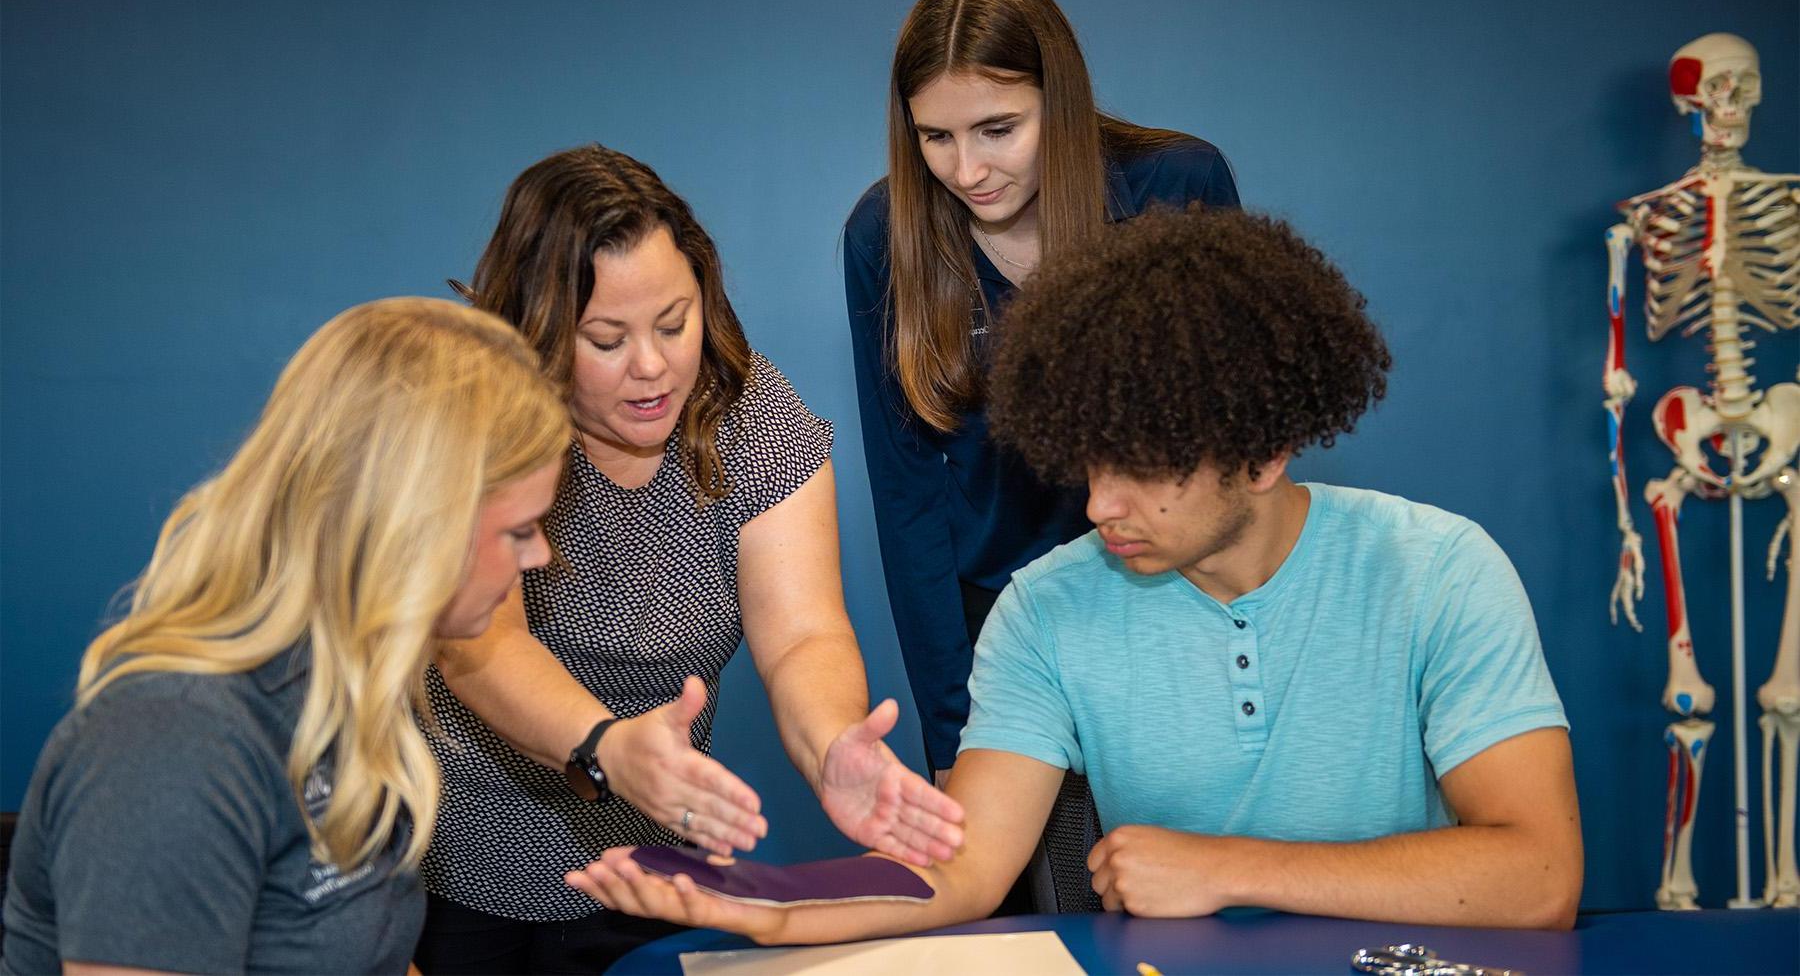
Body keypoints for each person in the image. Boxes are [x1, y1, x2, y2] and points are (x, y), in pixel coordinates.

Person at [568, 205, 1585, 937]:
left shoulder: (1442, 572)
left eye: (1144, 472)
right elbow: (960, 869)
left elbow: (1539, 874)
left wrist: (1224, 867)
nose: (1100, 506)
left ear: (1265, 452)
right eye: (1091, 460)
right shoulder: (1046, 607)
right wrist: (767, 901)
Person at [414, 144, 964, 973]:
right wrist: (605, 744)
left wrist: (832, 745)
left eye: (674, 323)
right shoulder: (478, 422)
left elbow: (803, 634)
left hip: (657, 868)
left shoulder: (753, 419)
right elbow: (480, 646)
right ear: (538, 328)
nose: (652, 366)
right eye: (606, 339)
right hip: (458, 863)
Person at [2, 299, 570, 974]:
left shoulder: (339, 697)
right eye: (519, 530)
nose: (539, 557)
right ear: (414, 527)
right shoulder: (174, 742)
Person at [843, 0, 1240, 905]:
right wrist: (956, 735)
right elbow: (907, 498)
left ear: (1057, 102)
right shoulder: (882, 234)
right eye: (934, 136)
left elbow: (1235, 433)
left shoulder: (1177, 186)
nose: (967, 170)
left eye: (997, 130)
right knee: (1045, 899)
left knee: (1176, 892)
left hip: (1170, 599)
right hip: (1001, 632)